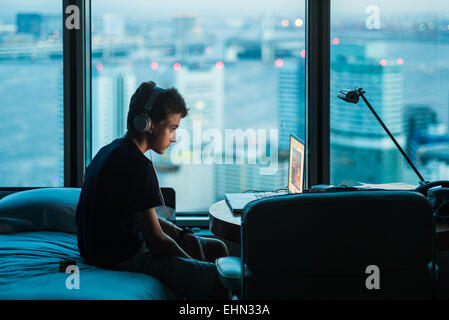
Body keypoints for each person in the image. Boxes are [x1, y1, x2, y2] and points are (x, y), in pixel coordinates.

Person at [75, 81, 230, 299]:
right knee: (217, 278)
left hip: (96, 251)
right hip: (118, 258)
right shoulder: (137, 165)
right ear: (148, 123)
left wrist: (183, 234)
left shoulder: (110, 151)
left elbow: (142, 218)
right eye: (172, 128)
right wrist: (189, 261)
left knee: (218, 248)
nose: (174, 138)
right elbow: (156, 241)